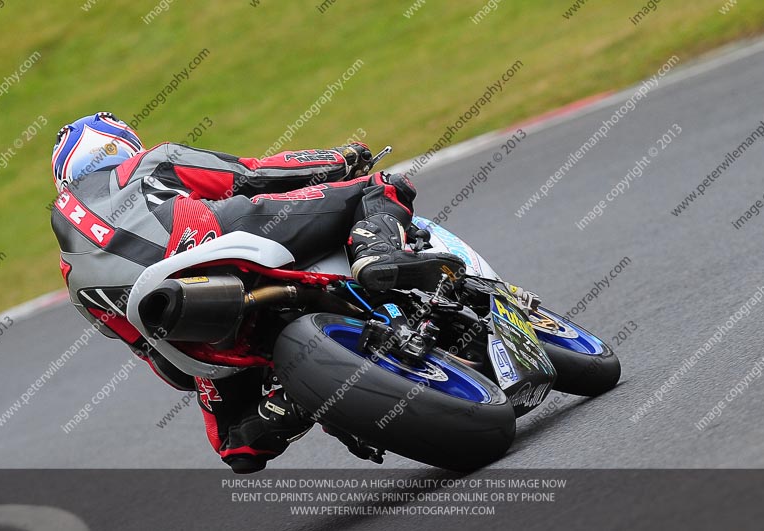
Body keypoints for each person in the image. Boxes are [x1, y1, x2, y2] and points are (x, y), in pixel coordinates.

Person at [50, 112, 466, 473]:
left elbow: (167, 368)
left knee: (237, 443)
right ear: (122, 145)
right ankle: (375, 255)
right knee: (381, 187)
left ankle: (284, 409)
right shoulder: (147, 163)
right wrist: (342, 157)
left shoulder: (71, 271)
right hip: (212, 237)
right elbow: (254, 174)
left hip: (194, 337)